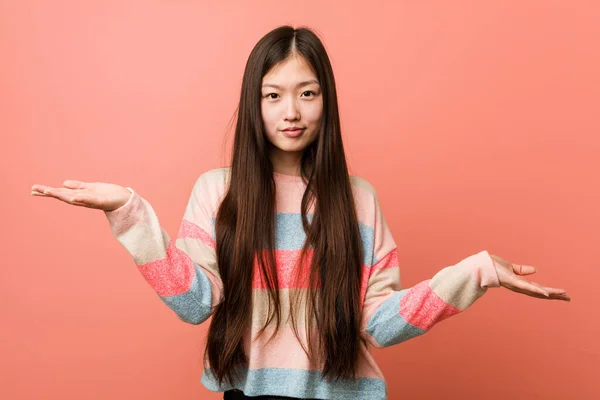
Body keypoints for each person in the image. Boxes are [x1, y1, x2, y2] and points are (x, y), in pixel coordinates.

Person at [30, 25, 570, 400]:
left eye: (306, 93)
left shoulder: (358, 200)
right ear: (254, 103)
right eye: (273, 95)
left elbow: (378, 323)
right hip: (248, 391)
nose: (291, 111)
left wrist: (475, 272)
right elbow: (196, 304)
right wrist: (129, 212)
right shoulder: (219, 192)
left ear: (326, 100)